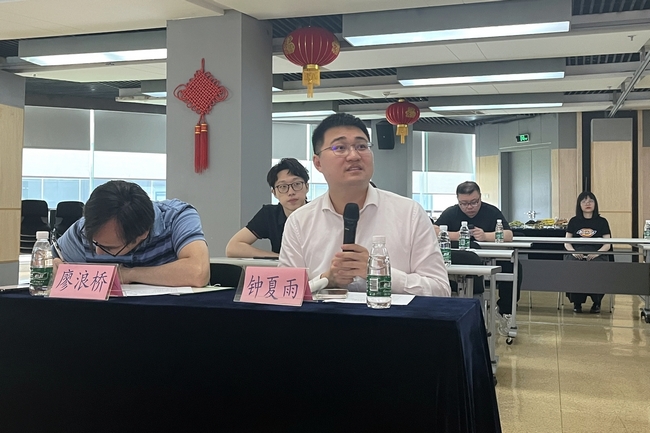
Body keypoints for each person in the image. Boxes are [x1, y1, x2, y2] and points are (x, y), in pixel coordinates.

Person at [279, 113, 450, 297]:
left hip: (393, 316)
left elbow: (440, 290)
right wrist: (327, 280)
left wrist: (381, 273)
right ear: (318, 163)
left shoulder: (409, 213)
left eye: (361, 146)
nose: (354, 155)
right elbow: (284, 292)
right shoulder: (299, 221)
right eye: (340, 148)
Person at [53, 180, 210, 287]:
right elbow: (51, 258)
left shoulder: (177, 217)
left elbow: (198, 273)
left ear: (142, 235)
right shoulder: (85, 228)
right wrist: (53, 266)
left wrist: (127, 274)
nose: (98, 252)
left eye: (109, 248)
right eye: (94, 243)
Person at [434, 181, 518, 332]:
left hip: (490, 258)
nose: (469, 207)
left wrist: (486, 236)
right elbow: (433, 230)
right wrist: (456, 235)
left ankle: (505, 310)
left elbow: (508, 234)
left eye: (474, 202)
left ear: (480, 197)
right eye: (464, 203)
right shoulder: (451, 212)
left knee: (514, 268)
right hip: (460, 261)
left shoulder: (491, 211)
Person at [226, 158, 309, 258]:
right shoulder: (270, 214)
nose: (291, 192)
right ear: (274, 193)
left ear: (307, 187)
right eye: (283, 186)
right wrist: (279, 258)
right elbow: (233, 248)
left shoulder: (320, 213)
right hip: (283, 268)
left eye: (297, 184)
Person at [564, 191, 611, 313]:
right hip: (577, 252)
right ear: (579, 205)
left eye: (590, 201)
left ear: (595, 204)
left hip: (597, 253)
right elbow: (566, 242)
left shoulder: (602, 221)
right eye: (584, 201)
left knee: (597, 268)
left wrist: (597, 253)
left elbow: (607, 244)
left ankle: (597, 302)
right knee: (574, 267)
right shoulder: (574, 221)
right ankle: (577, 302)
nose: (587, 203)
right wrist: (573, 252)